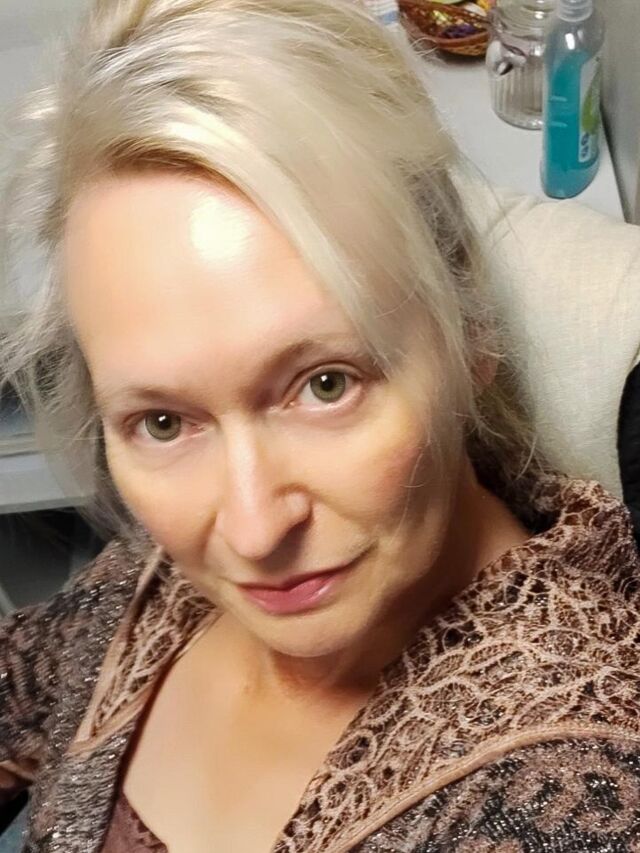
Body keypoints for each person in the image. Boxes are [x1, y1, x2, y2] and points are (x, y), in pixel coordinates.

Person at [1, 1, 640, 851]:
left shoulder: (575, 797)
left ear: (469, 328)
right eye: (162, 421)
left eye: (325, 385)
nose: (252, 530)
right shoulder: (152, 570)